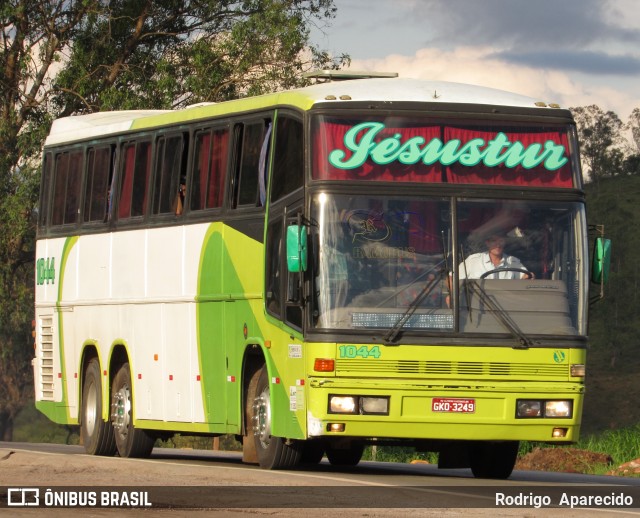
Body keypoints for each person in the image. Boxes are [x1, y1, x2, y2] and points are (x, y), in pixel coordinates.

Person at [459, 233, 533, 280]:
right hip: (476, 303)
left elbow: (526, 277)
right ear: (487, 243)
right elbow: (452, 278)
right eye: (494, 241)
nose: (498, 245)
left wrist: (530, 276)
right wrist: (453, 296)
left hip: (507, 302)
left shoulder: (512, 261)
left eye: (501, 241)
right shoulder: (473, 260)